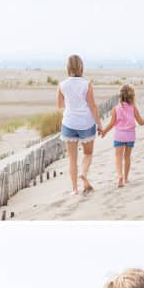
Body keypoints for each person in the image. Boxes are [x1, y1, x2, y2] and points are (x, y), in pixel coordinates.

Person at [58, 54, 102, 195]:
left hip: (69, 123)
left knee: (72, 158)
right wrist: (100, 125)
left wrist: (71, 103)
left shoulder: (62, 85)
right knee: (88, 153)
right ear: (81, 67)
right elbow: (93, 106)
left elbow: (60, 105)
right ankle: (83, 173)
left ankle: (74, 189)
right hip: (86, 123)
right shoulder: (86, 84)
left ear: (68, 67)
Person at [100, 84, 144, 188]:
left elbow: (111, 124)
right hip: (130, 136)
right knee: (127, 157)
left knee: (118, 157)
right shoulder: (133, 108)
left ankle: (120, 176)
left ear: (120, 96)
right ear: (131, 96)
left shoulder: (116, 109)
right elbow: (141, 122)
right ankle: (126, 178)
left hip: (119, 136)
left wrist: (104, 132)